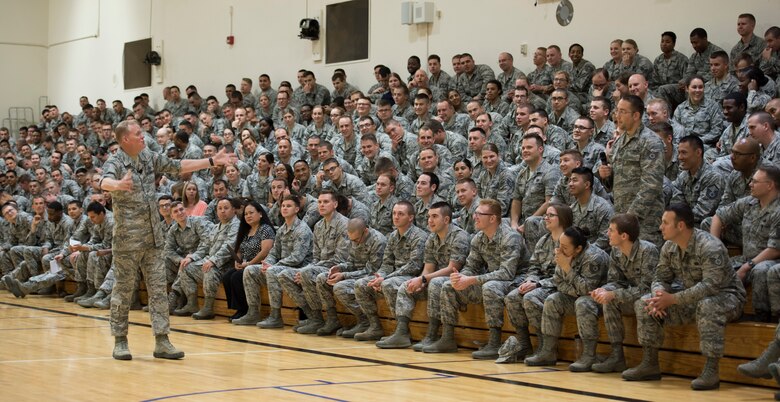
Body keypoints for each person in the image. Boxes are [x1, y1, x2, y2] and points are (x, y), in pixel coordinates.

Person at [100, 120, 236, 360]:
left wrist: (212, 161)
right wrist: (118, 185)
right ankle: (120, 340)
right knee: (122, 290)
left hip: (153, 239)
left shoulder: (148, 157)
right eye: (138, 134)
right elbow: (103, 182)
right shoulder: (115, 162)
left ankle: (162, 340)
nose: (143, 137)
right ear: (125, 140)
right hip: (126, 241)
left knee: (158, 292)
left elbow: (178, 165)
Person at [623, 203, 745, 391]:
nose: (660, 227)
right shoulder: (669, 246)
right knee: (644, 303)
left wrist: (672, 299)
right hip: (692, 297)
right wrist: (658, 296)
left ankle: (711, 372)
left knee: (708, 305)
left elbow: (710, 286)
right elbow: (660, 277)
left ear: (680, 226)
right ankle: (650, 364)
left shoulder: (709, 246)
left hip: (727, 297)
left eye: (665, 223)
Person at [424, 199, 528, 357]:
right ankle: (447, 338)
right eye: (475, 213)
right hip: (495, 279)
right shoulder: (478, 238)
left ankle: (494, 343)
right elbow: (471, 266)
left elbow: (507, 273)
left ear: (492, 218)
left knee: (491, 287)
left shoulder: (510, 237)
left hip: (519, 279)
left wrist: (471, 280)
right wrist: (460, 277)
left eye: (479, 214)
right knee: (447, 285)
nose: (475, 217)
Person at [376, 201, 470, 349]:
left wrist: (424, 279)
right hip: (435, 279)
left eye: (434, 216)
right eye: (428, 217)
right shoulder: (432, 238)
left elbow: (453, 268)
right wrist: (420, 281)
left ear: (446, 220)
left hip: (457, 280)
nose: (430, 220)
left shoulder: (459, 236)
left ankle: (432, 335)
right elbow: (428, 268)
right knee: (407, 285)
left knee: (436, 282)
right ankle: (402, 333)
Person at [523, 226, 609, 368]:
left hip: (599, 299)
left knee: (583, 302)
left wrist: (567, 268)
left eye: (564, 247)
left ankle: (589, 355)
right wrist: (573, 287)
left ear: (578, 249)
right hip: (576, 294)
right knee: (552, 300)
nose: (559, 250)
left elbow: (587, 289)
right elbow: (558, 282)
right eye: (559, 245)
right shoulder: (564, 254)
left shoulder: (594, 257)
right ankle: (548, 351)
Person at [585, 214, 659, 373]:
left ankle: (649, 362)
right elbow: (616, 281)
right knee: (608, 300)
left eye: (611, 230)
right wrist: (605, 289)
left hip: (651, 297)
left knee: (639, 301)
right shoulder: (616, 251)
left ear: (624, 236)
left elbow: (647, 288)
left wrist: (614, 294)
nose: (607, 233)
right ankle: (617, 356)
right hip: (631, 295)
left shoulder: (648, 251)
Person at [502, 203, 572, 363]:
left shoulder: (569, 241)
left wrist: (538, 285)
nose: (545, 218)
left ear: (562, 219)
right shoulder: (543, 240)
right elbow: (533, 266)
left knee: (531, 298)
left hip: (560, 285)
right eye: (545, 215)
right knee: (513, 297)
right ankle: (525, 345)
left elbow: (564, 274)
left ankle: (546, 347)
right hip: (541, 283)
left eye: (550, 215)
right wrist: (531, 280)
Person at [710, 165, 780, 322]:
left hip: (770, 260)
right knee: (716, 268)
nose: (750, 184)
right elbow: (718, 217)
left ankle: (764, 317)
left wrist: (747, 266)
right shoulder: (749, 202)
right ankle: (723, 312)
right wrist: (715, 248)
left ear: (770, 185)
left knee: (760, 270)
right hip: (747, 258)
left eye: (755, 182)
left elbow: (774, 249)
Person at [352, 201, 427, 341]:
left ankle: (402, 332)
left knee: (388, 284)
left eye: (400, 214)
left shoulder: (419, 236)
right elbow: (387, 263)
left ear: (410, 217)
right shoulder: (393, 236)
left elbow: (414, 266)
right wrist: (380, 275)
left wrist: (385, 278)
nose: (396, 217)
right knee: (361, 284)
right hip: (394, 275)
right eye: (394, 213)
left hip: (412, 276)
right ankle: (374, 326)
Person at [277, 191, 349, 333]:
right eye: (319, 202)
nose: (321, 205)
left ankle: (332, 319)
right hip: (320, 266)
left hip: (339, 268)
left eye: (326, 202)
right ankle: (314, 317)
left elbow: (340, 258)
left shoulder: (344, 224)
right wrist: (307, 269)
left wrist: (308, 270)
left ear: (335, 204)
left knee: (306, 273)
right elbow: (316, 257)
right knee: (284, 275)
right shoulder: (318, 226)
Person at [598, 95, 665, 245]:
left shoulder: (650, 142)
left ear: (636, 115)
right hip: (622, 215)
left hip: (644, 221)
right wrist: (607, 175)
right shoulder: (619, 141)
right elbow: (614, 183)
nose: (617, 116)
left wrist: (630, 217)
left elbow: (652, 185)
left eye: (622, 112)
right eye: (616, 111)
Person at [249, 194, 313, 329]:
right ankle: (253, 312)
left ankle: (275, 316)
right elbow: (274, 252)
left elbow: (297, 258)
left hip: (300, 268)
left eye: (288, 206)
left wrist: (274, 265)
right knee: (250, 270)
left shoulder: (302, 229)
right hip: (281, 267)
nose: (284, 208)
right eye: (283, 206)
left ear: (296, 209)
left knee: (272, 271)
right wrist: (267, 262)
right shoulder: (282, 229)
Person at [176, 198, 240, 320]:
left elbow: (229, 247)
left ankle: (208, 307)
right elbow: (205, 246)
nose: (222, 211)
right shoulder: (217, 227)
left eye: (226, 208)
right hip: (210, 261)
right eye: (219, 209)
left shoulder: (236, 226)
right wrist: (192, 257)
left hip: (226, 266)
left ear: (233, 210)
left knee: (209, 269)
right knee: (186, 266)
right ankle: (192, 303)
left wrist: (213, 260)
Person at [228, 201, 275, 324]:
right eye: (246, 214)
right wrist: (237, 261)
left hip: (259, 265)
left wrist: (249, 264)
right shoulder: (246, 230)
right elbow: (238, 249)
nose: (248, 216)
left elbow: (265, 251)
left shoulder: (266, 229)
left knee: (236, 277)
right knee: (227, 276)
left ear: (260, 214)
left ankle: (246, 310)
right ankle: (239, 309)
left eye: (251, 213)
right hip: (245, 264)